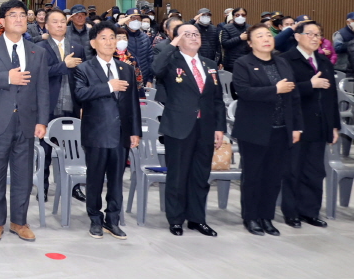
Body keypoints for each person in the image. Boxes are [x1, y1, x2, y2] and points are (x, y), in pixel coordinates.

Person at [0, 0, 50, 243]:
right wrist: (6, 77)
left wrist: (42, 121)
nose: (19, 19)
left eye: (22, 15)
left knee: (23, 176)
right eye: (13, 15)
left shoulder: (38, 52)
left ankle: (19, 221)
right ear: (2, 21)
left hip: (26, 122)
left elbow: (43, 90)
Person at [152, 22, 226, 237]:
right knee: (178, 175)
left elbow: (217, 100)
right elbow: (156, 68)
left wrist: (219, 127)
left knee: (200, 175)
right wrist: (173, 43)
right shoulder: (171, 61)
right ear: (177, 39)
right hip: (179, 126)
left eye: (196, 34)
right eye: (187, 34)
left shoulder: (210, 64)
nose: (194, 37)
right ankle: (175, 219)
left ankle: (197, 218)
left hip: (205, 128)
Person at [232, 25, 304, 236]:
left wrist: (297, 126)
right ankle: (251, 217)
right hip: (254, 130)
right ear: (250, 43)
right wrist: (275, 90)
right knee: (253, 176)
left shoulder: (282, 62)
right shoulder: (243, 63)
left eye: (268, 35)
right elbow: (244, 92)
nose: (266, 39)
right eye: (259, 36)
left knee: (273, 177)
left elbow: (294, 97)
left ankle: (266, 217)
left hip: (281, 129)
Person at [73, 22, 142, 240]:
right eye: (104, 38)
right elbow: (80, 95)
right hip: (96, 133)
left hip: (121, 134)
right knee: (94, 179)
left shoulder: (126, 68)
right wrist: (109, 87)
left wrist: (135, 132)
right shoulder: (84, 68)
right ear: (93, 43)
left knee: (116, 180)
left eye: (112, 37)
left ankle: (113, 220)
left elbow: (133, 103)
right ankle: (95, 219)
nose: (110, 41)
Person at [281, 20, 340, 229]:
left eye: (318, 35)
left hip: (319, 124)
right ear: (297, 36)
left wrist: (334, 125)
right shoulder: (286, 59)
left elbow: (332, 96)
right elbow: (284, 91)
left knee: (315, 171)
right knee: (293, 169)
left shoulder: (324, 62)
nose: (315, 38)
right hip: (297, 124)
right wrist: (309, 85)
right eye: (310, 34)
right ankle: (291, 212)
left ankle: (310, 211)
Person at [38, 8, 86, 199]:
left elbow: (82, 77)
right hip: (48, 105)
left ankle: (74, 187)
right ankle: (42, 187)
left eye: (61, 22)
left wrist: (81, 105)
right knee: (45, 150)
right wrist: (62, 66)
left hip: (71, 105)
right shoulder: (39, 48)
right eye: (55, 22)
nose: (59, 25)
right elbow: (37, 75)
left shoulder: (77, 47)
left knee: (72, 150)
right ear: (47, 26)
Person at [218, 7, 250, 72]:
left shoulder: (249, 28)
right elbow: (225, 44)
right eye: (237, 15)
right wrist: (240, 38)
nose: (240, 17)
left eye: (243, 15)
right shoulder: (227, 28)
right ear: (233, 16)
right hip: (231, 63)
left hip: (246, 62)